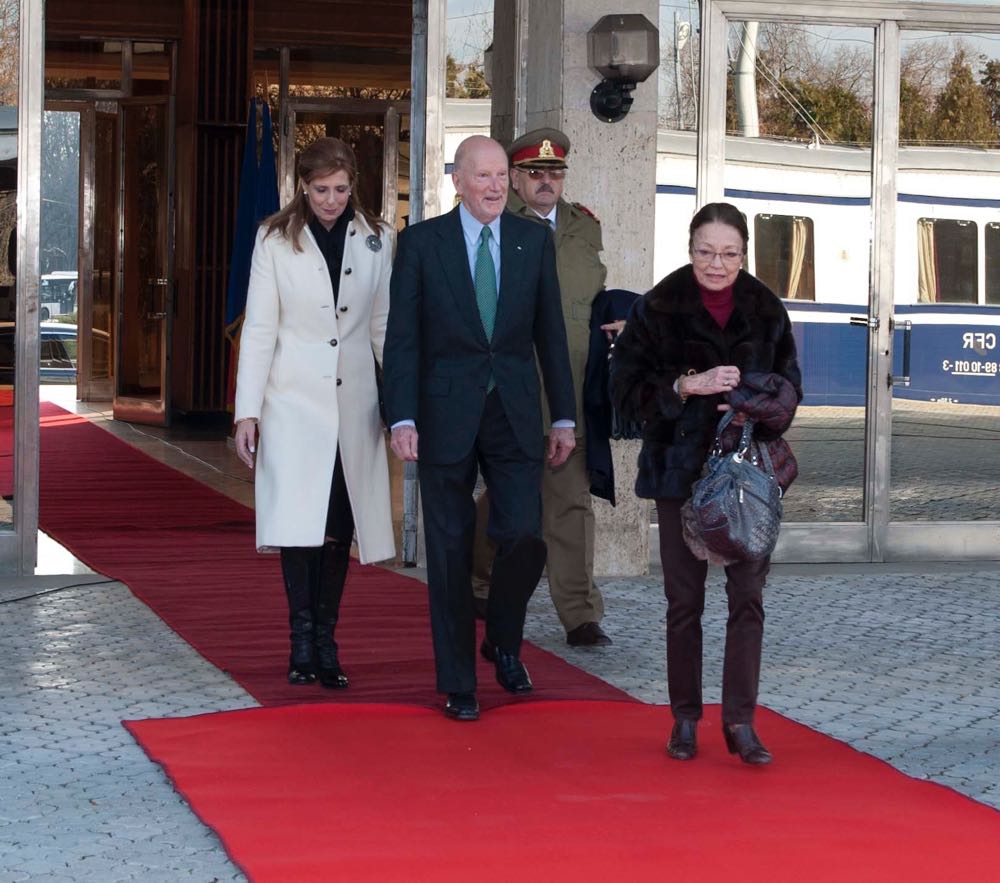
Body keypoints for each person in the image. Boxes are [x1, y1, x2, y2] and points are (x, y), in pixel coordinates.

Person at [382, 135, 576, 722]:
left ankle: (503, 639)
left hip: (513, 413)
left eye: (501, 176)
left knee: (523, 537)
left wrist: (563, 415)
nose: (495, 185)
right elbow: (403, 337)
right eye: (483, 175)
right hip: (442, 413)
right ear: (458, 181)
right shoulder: (420, 243)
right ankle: (458, 682)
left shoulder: (532, 242)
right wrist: (402, 414)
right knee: (446, 550)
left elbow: (550, 334)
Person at [610, 202, 802, 765]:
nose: (716, 265)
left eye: (729, 254)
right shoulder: (658, 306)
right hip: (679, 471)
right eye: (705, 252)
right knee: (684, 602)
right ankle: (685, 719)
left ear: (744, 254)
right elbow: (625, 394)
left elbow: (790, 394)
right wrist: (687, 385)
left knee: (748, 598)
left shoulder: (766, 308)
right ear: (689, 249)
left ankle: (741, 723)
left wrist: (748, 399)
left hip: (748, 478)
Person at [233, 136, 395, 690]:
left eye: (343, 189)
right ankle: (300, 644)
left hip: (354, 406)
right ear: (303, 185)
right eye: (322, 190)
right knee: (299, 525)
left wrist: (400, 407)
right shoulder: (274, 239)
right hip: (292, 403)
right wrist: (246, 412)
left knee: (338, 527)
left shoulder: (377, 239)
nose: (332, 200)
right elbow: (258, 329)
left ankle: (328, 642)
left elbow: (382, 328)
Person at [471, 127, 612, 647]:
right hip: (513, 384)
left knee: (570, 498)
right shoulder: (496, 228)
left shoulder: (584, 228)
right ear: (515, 180)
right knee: (511, 495)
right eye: (534, 174)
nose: (546, 182)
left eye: (554, 173)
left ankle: (580, 613)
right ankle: (478, 578)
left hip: (570, 386)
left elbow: (589, 299)